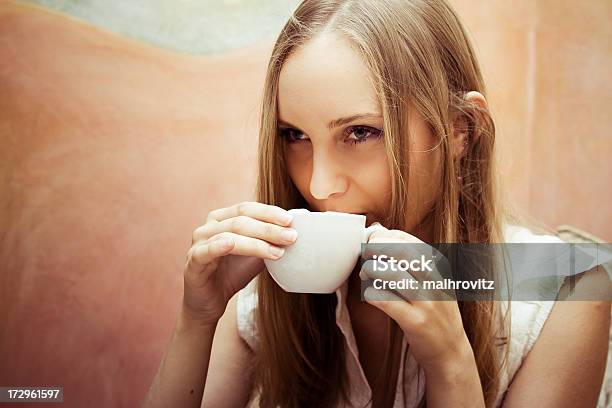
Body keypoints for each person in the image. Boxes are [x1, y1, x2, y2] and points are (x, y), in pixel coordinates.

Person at [143, 1, 610, 407]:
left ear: (459, 130)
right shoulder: (269, 287)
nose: (320, 185)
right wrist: (197, 319)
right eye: (296, 135)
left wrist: (450, 364)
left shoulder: (566, 289)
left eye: (361, 132)